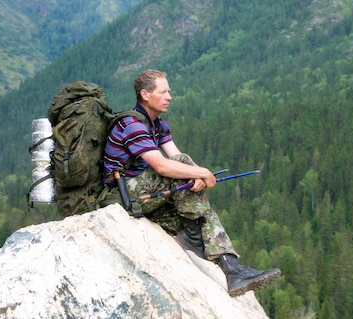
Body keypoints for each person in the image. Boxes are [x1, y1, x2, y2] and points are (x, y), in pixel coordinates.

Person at [102, 69, 280, 297]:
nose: (169, 96)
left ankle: (232, 270)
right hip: (123, 196)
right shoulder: (132, 125)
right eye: (163, 92)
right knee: (185, 167)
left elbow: (175, 156)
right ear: (145, 94)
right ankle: (194, 238)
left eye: (169, 91)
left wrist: (196, 177)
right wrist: (200, 172)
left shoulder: (158, 125)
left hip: (147, 195)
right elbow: (164, 166)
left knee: (201, 206)